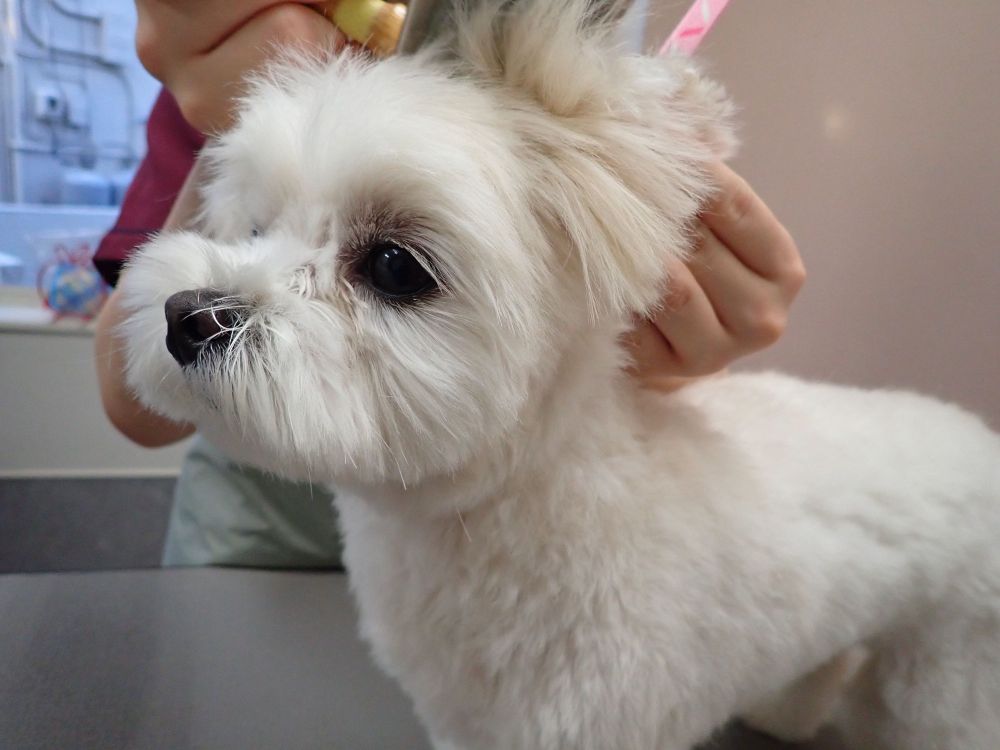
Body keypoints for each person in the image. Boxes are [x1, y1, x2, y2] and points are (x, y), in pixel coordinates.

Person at [94, 1, 805, 567]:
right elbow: (134, 398)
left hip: (526, 553)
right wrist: (221, 128)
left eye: (394, 268)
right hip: (263, 546)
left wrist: (657, 337)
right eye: (254, 230)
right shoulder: (254, 34)